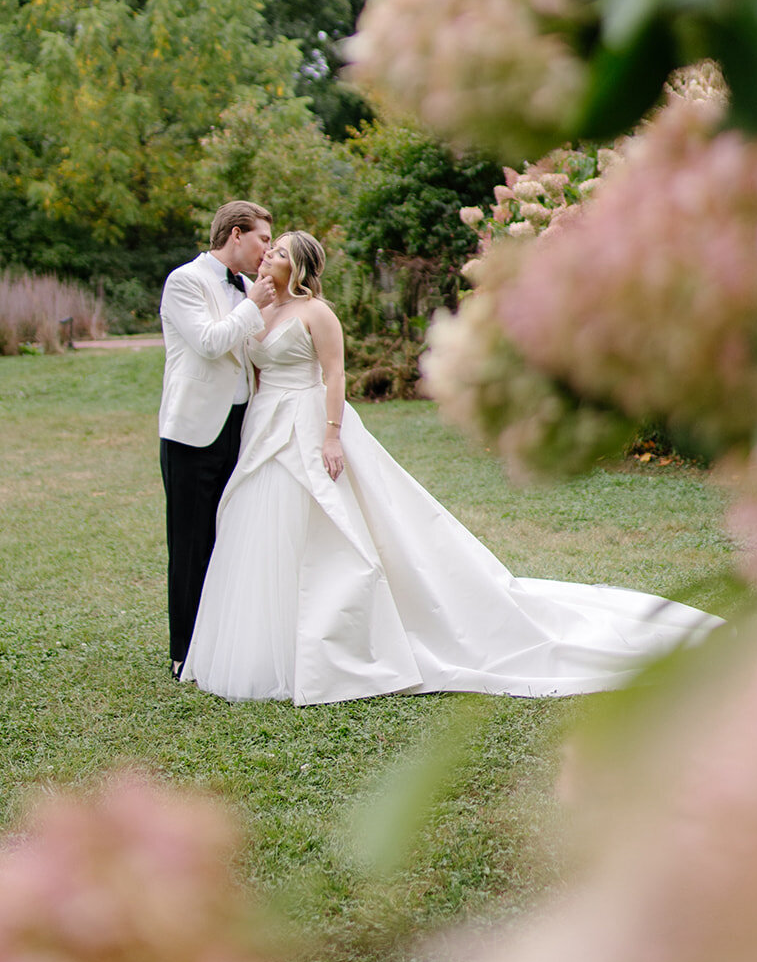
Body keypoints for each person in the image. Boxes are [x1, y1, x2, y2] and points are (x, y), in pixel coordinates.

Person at [181, 231, 722, 706]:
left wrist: (331, 433)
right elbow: (249, 366)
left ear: (296, 266)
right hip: (264, 429)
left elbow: (335, 374)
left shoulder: (316, 313)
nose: (265, 256)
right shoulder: (260, 308)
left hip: (307, 421)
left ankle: (340, 643)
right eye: (266, 248)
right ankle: (266, 647)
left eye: (276, 251)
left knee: (332, 528)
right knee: (263, 531)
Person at [158, 201, 275, 678]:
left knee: (233, 538)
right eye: (264, 239)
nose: (268, 249)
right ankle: (184, 652)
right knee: (190, 543)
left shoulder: (249, 289)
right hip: (193, 433)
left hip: (241, 427)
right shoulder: (184, 281)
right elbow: (209, 342)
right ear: (235, 234)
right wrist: (254, 306)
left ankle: (223, 645)